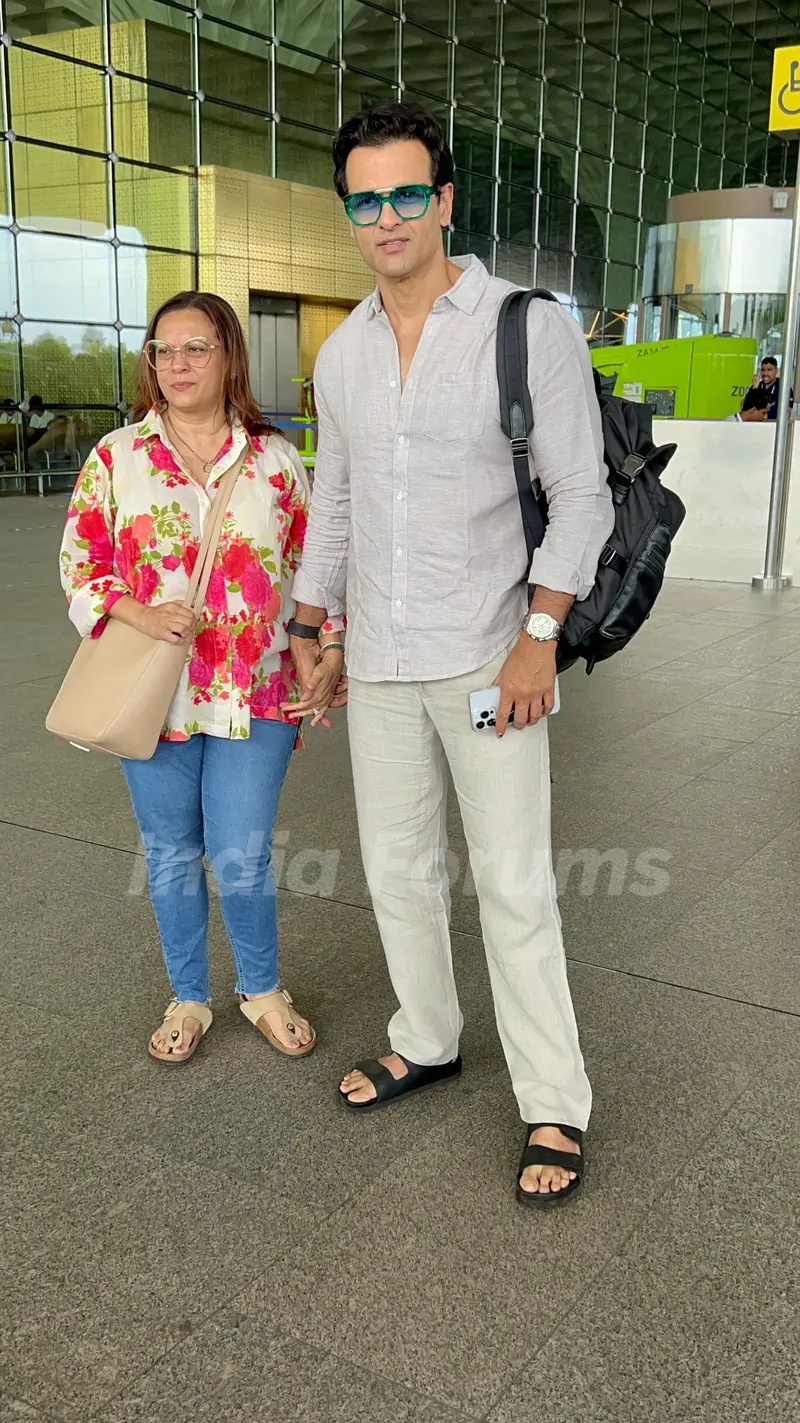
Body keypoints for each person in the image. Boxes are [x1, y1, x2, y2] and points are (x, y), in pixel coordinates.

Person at [286, 101, 614, 1207]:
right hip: (375, 664)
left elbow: (580, 500)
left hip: (488, 660)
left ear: (443, 200)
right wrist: (310, 627)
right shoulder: (340, 354)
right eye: (365, 199)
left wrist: (536, 640)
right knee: (396, 872)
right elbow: (332, 508)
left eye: (405, 194)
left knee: (514, 883)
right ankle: (424, 1039)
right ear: (349, 212)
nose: (386, 217)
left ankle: (553, 1100)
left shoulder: (523, 323)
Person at [59, 291, 345, 1064]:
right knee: (171, 851)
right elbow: (79, 565)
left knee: (242, 852)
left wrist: (329, 647)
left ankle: (260, 987)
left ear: (229, 359)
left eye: (197, 348)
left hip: (258, 690)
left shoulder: (276, 461)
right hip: (155, 696)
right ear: (151, 362)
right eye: (164, 350)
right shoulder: (116, 457)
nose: (178, 364)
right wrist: (139, 613)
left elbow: (311, 572)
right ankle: (188, 993)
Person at [740, 357, 781, 421]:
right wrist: (754, 388)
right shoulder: (758, 384)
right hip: (751, 424)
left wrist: (759, 413)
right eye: (763, 370)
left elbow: (782, 412)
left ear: (776, 371)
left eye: (769, 370)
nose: (765, 373)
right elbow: (745, 407)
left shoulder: (782, 387)